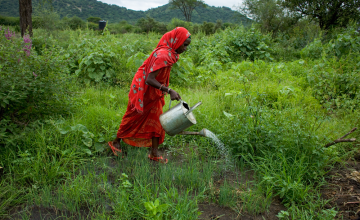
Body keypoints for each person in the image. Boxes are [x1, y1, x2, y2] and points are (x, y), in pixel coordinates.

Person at [108, 27, 191, 163]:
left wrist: (163, 88)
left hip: (154, 89)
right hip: (143, 88)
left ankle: (154, 152)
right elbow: (149, 79)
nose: (185, 49)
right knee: (134, 115)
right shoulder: (163, 55)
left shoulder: (171, 54)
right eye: (185, 44)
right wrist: (169, 90)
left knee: (156, 118)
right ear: (177, 41)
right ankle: (116, 142)